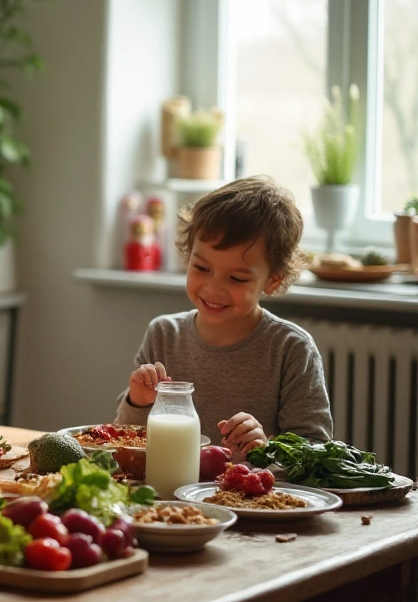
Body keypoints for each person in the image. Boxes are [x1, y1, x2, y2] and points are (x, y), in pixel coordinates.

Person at [114, 176, 333, 457]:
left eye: (236, 278)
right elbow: (125, 439)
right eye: (202, 268)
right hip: (172, 495)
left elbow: (316, 447)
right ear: (187, 255)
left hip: (249, 498)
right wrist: (138, 401)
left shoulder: (291, 348)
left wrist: (268, 448)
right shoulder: (164, 334)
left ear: (272, 281)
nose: (213, 289)